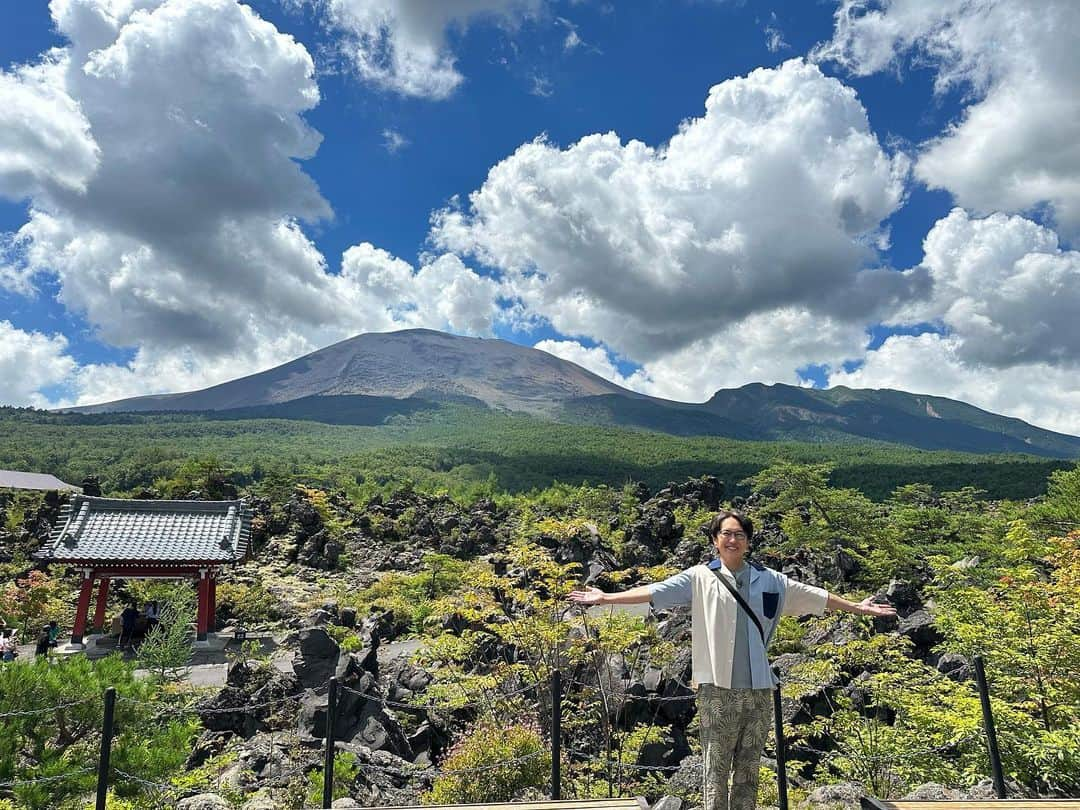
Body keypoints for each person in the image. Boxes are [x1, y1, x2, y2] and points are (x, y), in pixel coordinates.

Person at [568, 509, 897, 810]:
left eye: (739, 534)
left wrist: (857, 607)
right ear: (715, 540)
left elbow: (815, 596)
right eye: (726, 533)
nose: (732, 539)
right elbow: (656, 592)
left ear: (748, 541)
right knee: (716, 766)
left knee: (749, 768)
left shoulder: (769, 580)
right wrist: (606, 598)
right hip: (716, 688)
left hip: (759, 689)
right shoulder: (700, 577)